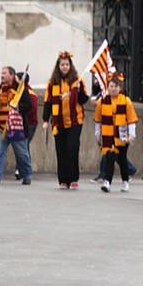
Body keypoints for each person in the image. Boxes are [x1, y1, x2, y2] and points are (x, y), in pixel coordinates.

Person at [42, 51, 88, 189]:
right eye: (62, 64)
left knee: (72, 147)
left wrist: (79, 91)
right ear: (58, 66)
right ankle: (63, 180)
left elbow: (84, 100)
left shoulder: (77, 80)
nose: (64, 67)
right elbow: (47, 102)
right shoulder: (52, 83)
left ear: (70, 66)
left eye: (67, 64)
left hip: (75, 120)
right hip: (58, 121)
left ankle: (73, 179)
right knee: (60, 150)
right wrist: (45, 120)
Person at [0, 66, 33, 185]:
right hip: (1, 127)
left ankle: (26, 175)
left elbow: (28, 105)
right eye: (1, 73)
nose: (2, 76)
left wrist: (18, 107)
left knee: (22, 153)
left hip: (16, 127)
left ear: (12, 75)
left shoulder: (20, 90)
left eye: (4, 73)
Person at [93, 72, 138, 193]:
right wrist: (98, 135)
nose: (113, 89)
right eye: (111, 86)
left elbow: (131, 119)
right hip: (108, 133)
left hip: (122, 133)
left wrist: (131, 135)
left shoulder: (126, 101)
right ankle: (107, 182)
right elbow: (98, 120)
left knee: (122, 158)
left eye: (116, 86)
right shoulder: (102, 101)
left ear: (120, 88)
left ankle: (125, 181)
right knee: (109, 157)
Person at [14, 71, 38, 180]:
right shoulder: (21, 91)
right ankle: (21, 169)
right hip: (24, 122)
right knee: (23, 146)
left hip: (29, 123)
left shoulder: (28, 92)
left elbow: (31, 109)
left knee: (24, 146)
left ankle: (23, 169)